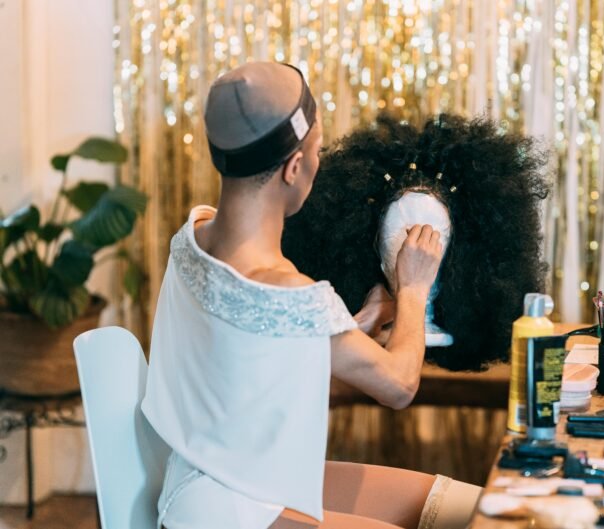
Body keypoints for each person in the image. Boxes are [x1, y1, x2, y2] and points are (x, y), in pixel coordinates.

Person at [141, 61, 481, 529]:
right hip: (235, 512)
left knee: (469, 508)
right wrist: (414, 289)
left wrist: (352, 327)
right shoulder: (287, 290)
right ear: (295, 166)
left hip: (209, 485)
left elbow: (249, 354)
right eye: (318, 150)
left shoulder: (191, 237)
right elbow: (399, 385)